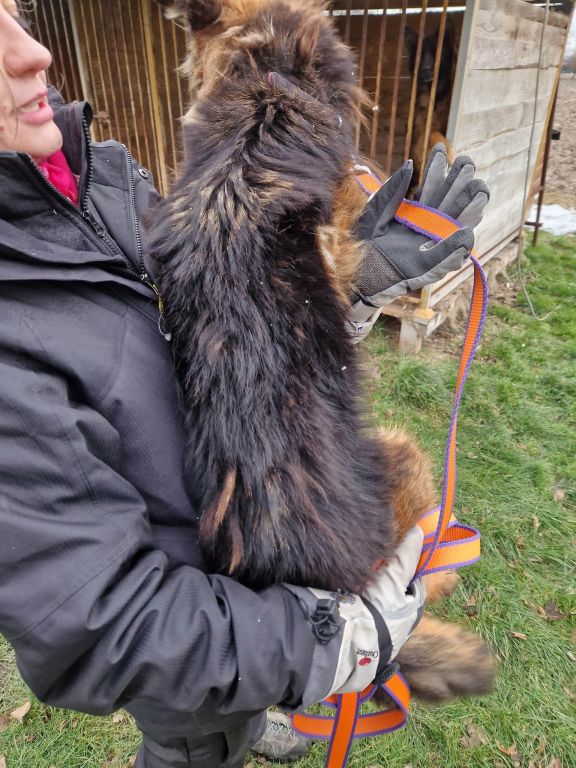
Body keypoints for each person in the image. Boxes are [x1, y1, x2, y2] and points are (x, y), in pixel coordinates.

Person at [0, 2, 488, 766]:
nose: (33, 53)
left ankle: (252, 713)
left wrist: (334, 288)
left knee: (245, 698)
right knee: (198, 741)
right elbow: (107, 628)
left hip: (249, 544)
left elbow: (219, 333)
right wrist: (336, 640)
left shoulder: (96, 174)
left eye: (13, 13)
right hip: (192, 635)